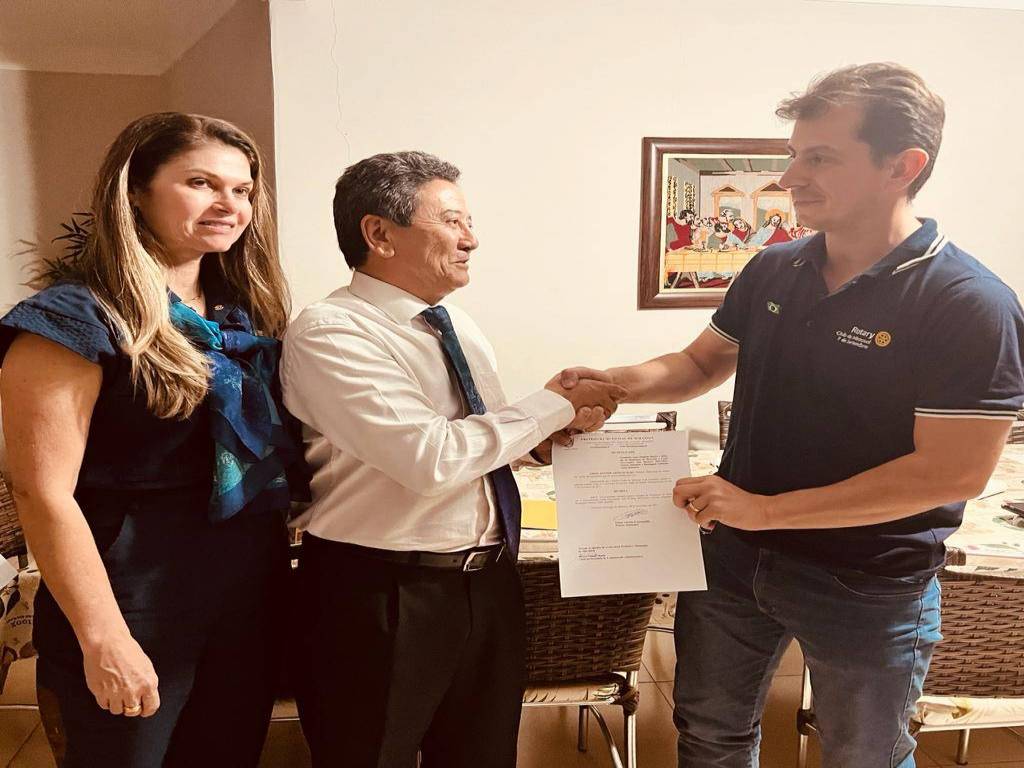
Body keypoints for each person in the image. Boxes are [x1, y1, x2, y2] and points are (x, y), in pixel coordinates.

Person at [562, 63, 1024, 767]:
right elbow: (698, 365)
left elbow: (951, 473)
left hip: (869, 582)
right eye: (793, 155)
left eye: (820, 158)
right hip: (733, 559)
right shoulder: (775, 268)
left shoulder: (968, 302)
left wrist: (765, 511)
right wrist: (613, 384)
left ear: (902, 166)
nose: (789, 178)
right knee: (709, 736)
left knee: (863, 756)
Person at [280, 151, 625, 768]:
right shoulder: (332, 330)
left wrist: (541, 441)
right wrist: (554, 405)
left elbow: (475, 444)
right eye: (451, 221)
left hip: (487, 585)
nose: (472, 239)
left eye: (469, 222)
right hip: (380, 592)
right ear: (379, 233)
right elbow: (430, 457)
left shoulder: (455, 324)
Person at [0, 113, 308, 766]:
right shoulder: (72, 319)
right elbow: (41, 492)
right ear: (135, 191)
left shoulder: (242, 315)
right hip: (130, 596)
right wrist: (104, 638)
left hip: (246, 594)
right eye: (201, 183)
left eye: (242, 190)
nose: (229, 204)